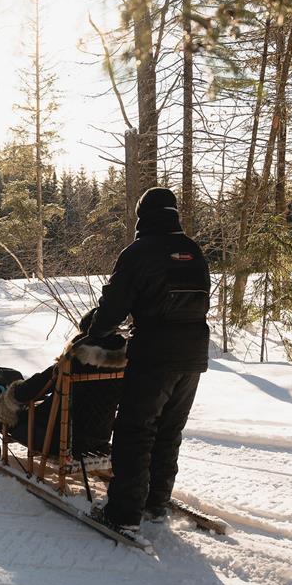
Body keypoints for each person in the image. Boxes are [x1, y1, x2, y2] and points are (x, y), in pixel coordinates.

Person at [85, 187, 210, 534]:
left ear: (142, 215)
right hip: (194, 355)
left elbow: (114, 306)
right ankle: (155, 501)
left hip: (155, 353)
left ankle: (123, 514)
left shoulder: (138, 252)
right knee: (169, 430)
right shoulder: (193, 251)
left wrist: (96, 333)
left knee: (134, 431)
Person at [0, 307, 127, 457]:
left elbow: (36, 387)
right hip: (99, 439)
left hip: (56, 440)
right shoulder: (123, 365)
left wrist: (11, 396)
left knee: (10, 415)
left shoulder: (73, 362)